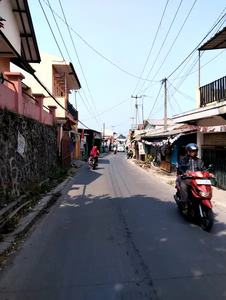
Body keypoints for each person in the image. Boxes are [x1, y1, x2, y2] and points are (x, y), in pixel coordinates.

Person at [177, 143, 207, 213]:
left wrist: (207, 174)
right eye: (191, 151)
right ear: (188, 152)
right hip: (187, 178)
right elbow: (180, 168)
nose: (193, 153)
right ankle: (184, 203)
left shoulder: (199, 161)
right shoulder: (183, 160)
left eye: (194, 151)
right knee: (183, 185)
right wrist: (184, 173)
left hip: (197, 179)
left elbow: (204, 169)